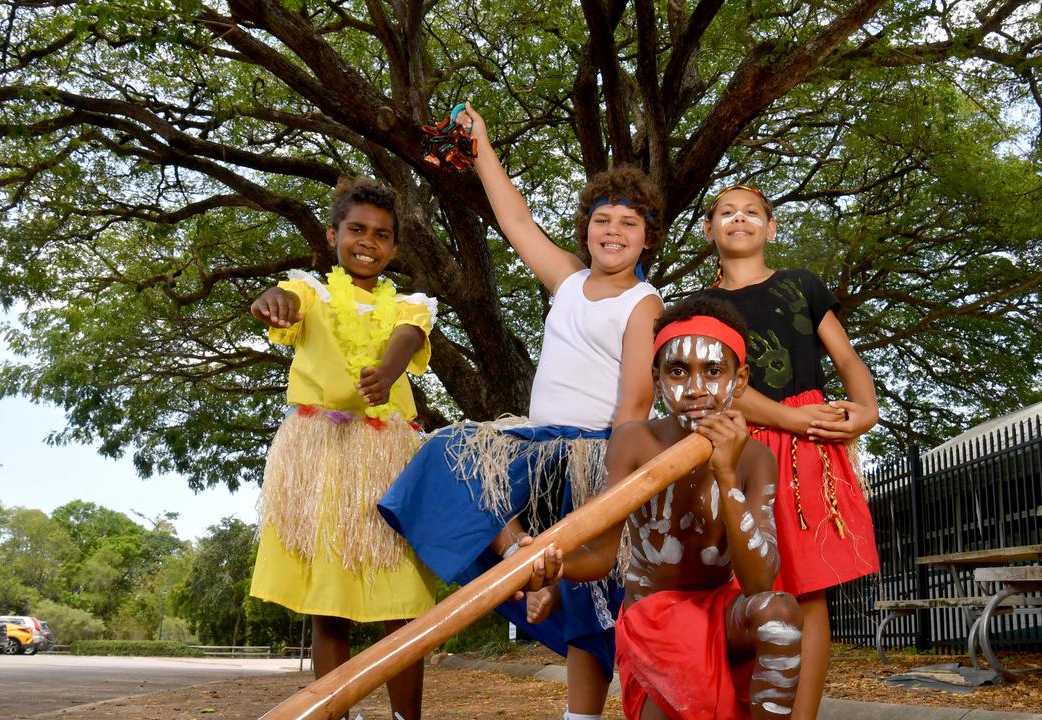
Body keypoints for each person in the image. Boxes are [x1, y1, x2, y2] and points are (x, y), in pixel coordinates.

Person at [377, 103, 663, 720]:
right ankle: (519, 556)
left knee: (590, 599)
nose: (612, 231)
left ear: (647, 236)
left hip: (592, 451)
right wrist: (479, 144)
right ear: (586, 230)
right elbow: (515, 220)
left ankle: (580, 714)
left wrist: (613, 491)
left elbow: (638, 399)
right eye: (601, 220)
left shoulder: (644, 301)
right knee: (444, 454)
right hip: (532, 444)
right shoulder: (566, 278)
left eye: (628, 223)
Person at [524, 295, 804, 719]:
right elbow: (601, 555)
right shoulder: (635, 441)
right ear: (656, 381)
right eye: (678, 371)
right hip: (652, 618)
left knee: (779, 615)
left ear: (740, 379)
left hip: (723, 614)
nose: (695, 388)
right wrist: (554, 565)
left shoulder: (754, 458)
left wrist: (726, 473)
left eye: (713, 371)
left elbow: (759, 582)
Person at [248, 177, 439, 720]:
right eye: (356, 229)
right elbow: (285, 298)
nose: (368, 242)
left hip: (386, 458)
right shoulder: (311, 290)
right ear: (333, 234)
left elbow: (407, 336)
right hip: (321, 456)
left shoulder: (409, 303)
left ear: (395, 247)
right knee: (328, 604)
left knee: (401, 603)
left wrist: (387, 371)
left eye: (382, 235)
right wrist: (273, 300)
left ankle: (406, 718)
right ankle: (334, 713)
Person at [699, 183, 880, 720]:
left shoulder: (801, 284)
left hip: (810, 451)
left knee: (808, 589)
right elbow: (722, 387)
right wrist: (788, 417)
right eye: (726, 212)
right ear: (709, 230)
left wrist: (866, 410)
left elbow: (845, 357)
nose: (739, 219)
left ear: (770, 228)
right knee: (743, 588)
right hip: (742, 445)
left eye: (752, 212)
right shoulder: (702, 308)